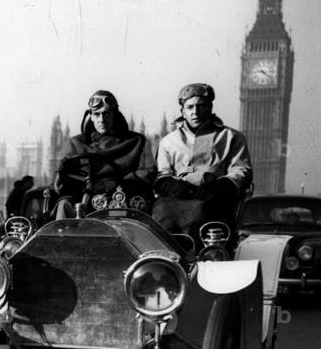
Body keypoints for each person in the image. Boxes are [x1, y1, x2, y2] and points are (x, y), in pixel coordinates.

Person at [153, 83, 252, 238]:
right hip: (176, 206)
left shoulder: (230, 137)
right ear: (182, 111)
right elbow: (162, 174)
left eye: (201, 106)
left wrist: (220, 186)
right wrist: (177, 187)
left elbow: (241, 170)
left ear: (210, 107)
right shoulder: (168, 142)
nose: (195, 112)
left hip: (215, 205)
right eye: (190, 107)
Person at [52, 90, 150, 220]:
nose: (101, 119)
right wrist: (62, 177)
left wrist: (117, 185)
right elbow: (62, 182)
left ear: (114, 114)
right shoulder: (75, 144)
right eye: (97, 114)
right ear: (91, 116)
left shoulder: (135, 142)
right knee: (65, 205)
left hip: (122, 199)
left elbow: (146, 174)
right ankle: (63, 239)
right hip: (84, 201)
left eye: (106, 114)